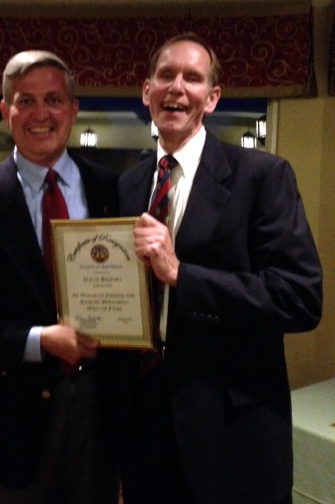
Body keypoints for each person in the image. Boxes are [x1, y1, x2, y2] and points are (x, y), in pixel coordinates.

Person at [118, 33, 323, 504]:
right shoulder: (129, 185)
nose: (177, 87)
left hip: (233, 430)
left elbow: (300, 299)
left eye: (192, 78)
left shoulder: (262, 176)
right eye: (165, 75)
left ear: (211, 98)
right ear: (146, 91)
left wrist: (181, 274)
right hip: (145, 424)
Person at [0, 50, 127, 504]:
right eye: (26, 101)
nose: (40, 114)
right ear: (5, 111)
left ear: (73, 109)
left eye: (53, 100)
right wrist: (38, 340)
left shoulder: (114, 191)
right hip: (6, 421)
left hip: (99, 416)